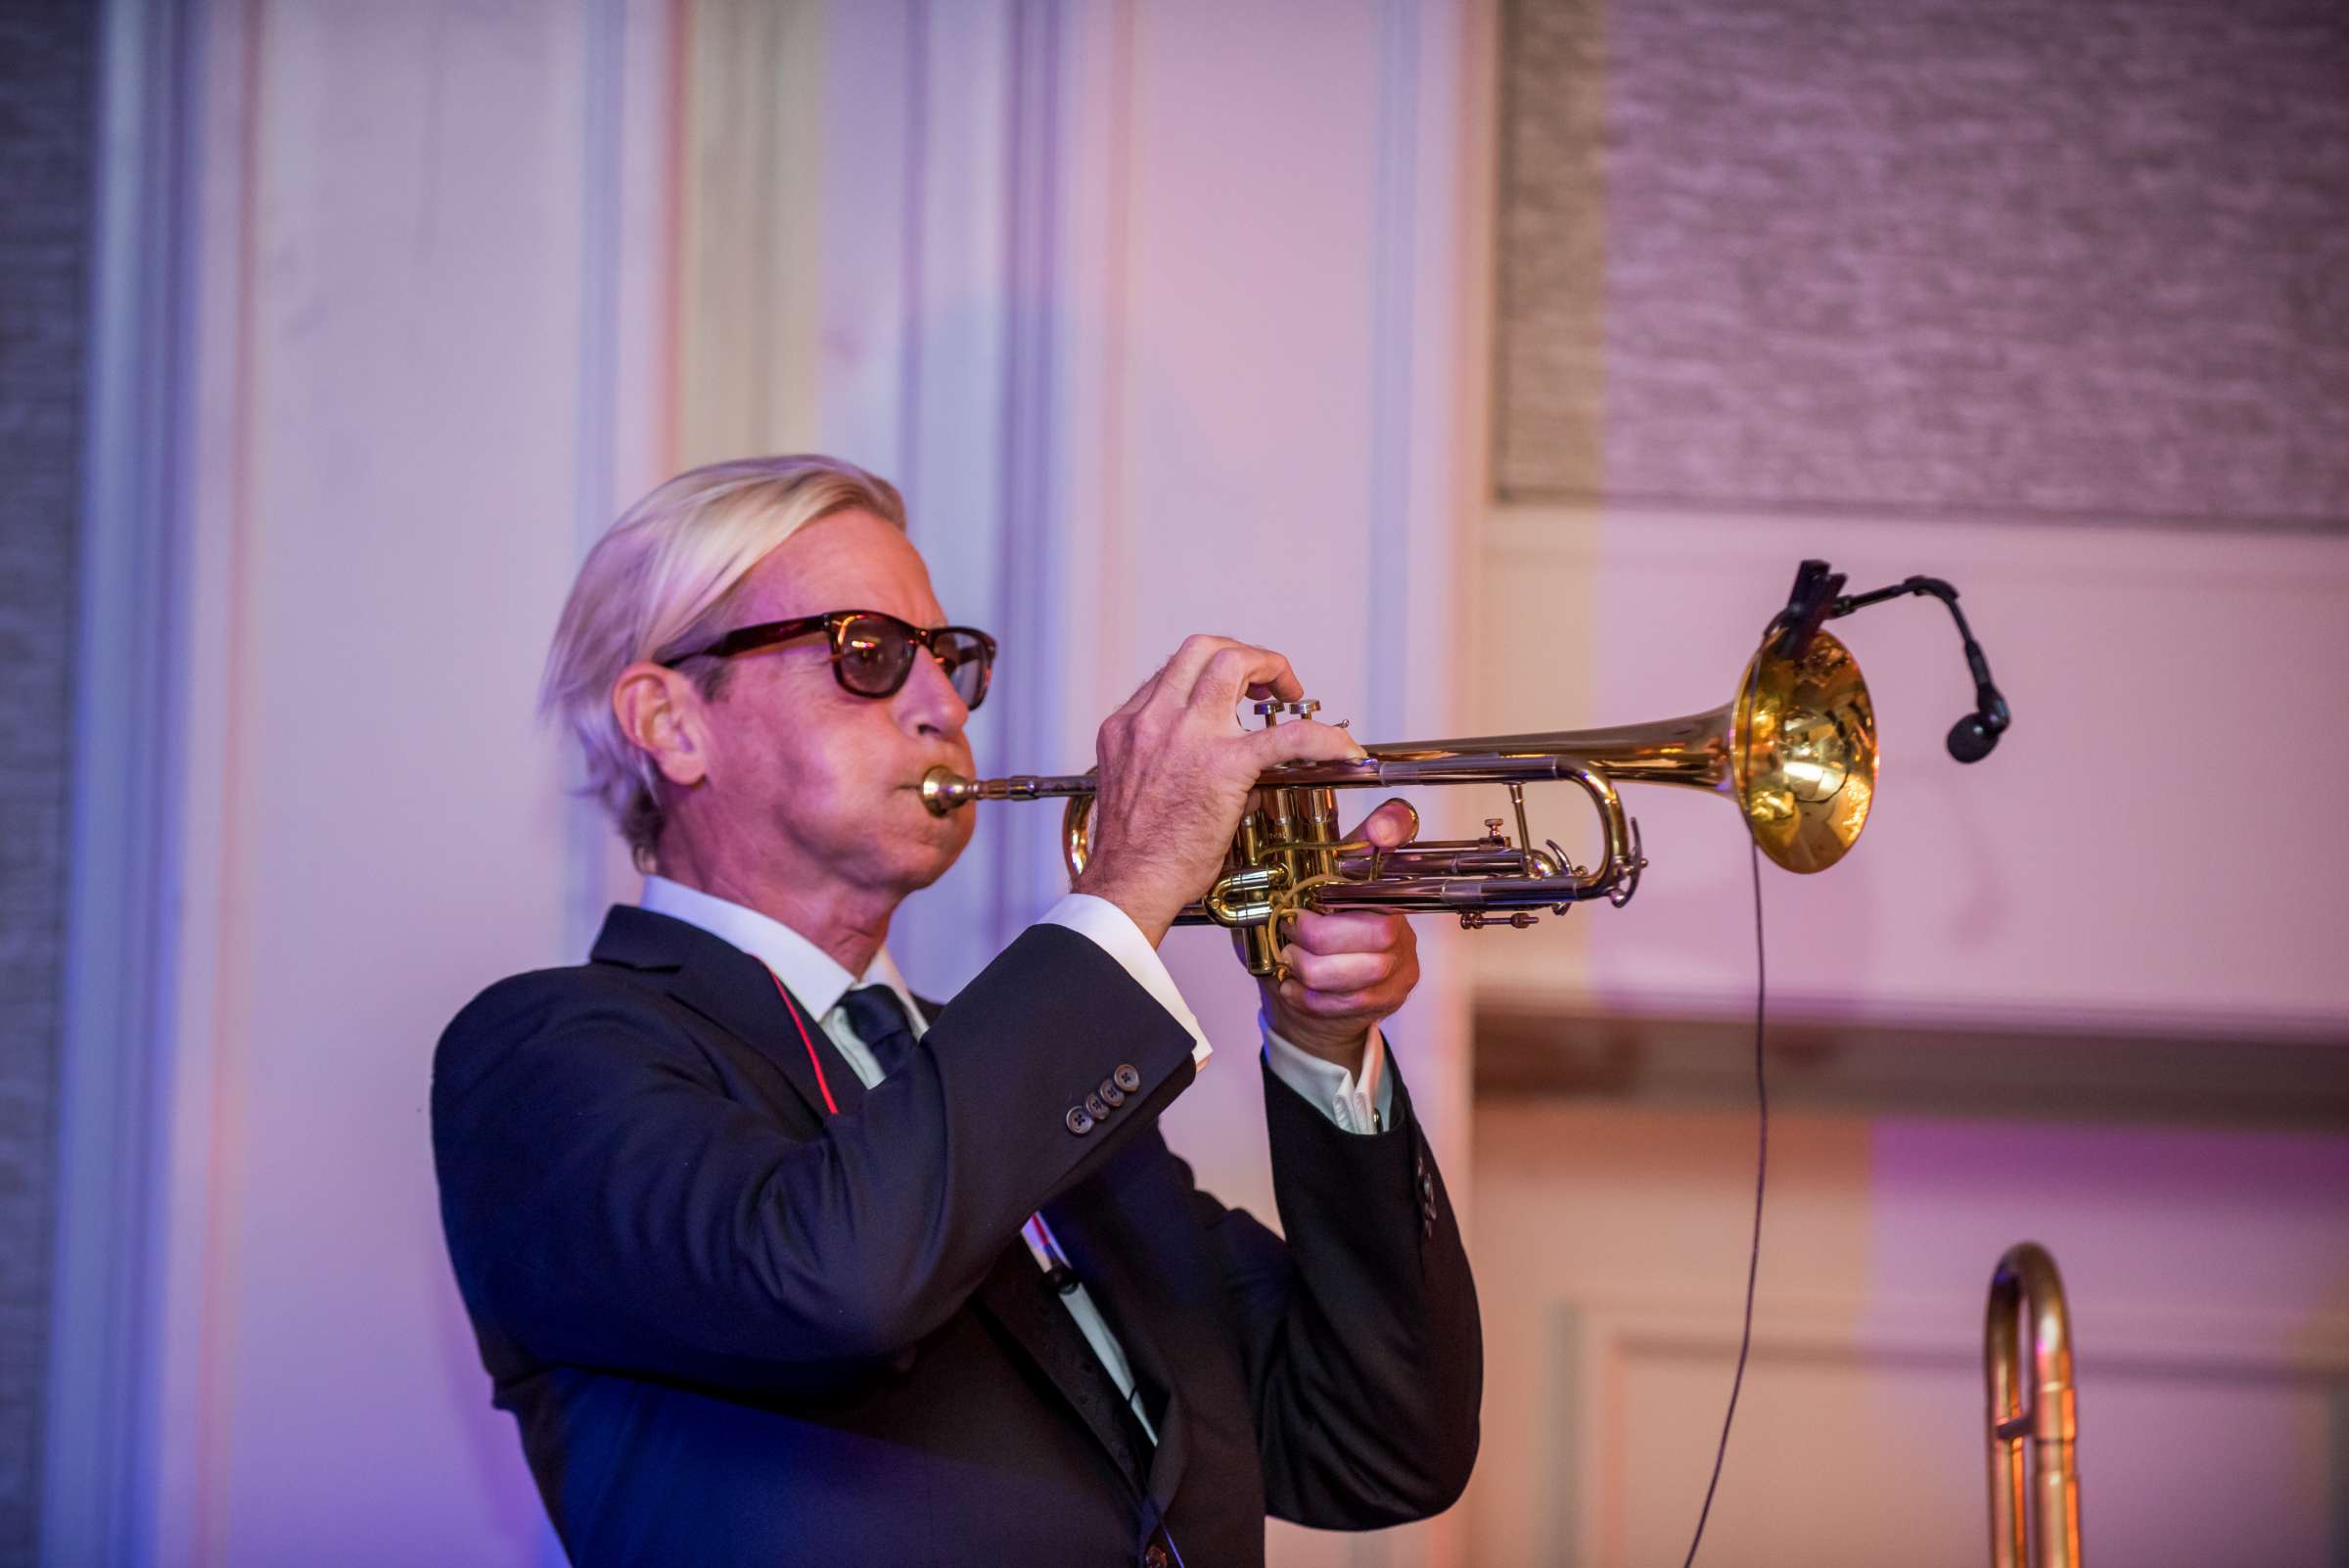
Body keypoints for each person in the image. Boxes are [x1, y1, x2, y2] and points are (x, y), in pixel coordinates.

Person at [432, 455, 1480, 1568]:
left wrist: (1327, 1050)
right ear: (672, 720)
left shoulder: (1031, 1076)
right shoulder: (544, 1057)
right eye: (869, 654)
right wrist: (1127, 893)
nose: (942, 704)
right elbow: (833, 1282)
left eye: (952, 659)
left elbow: (1374, 1444)